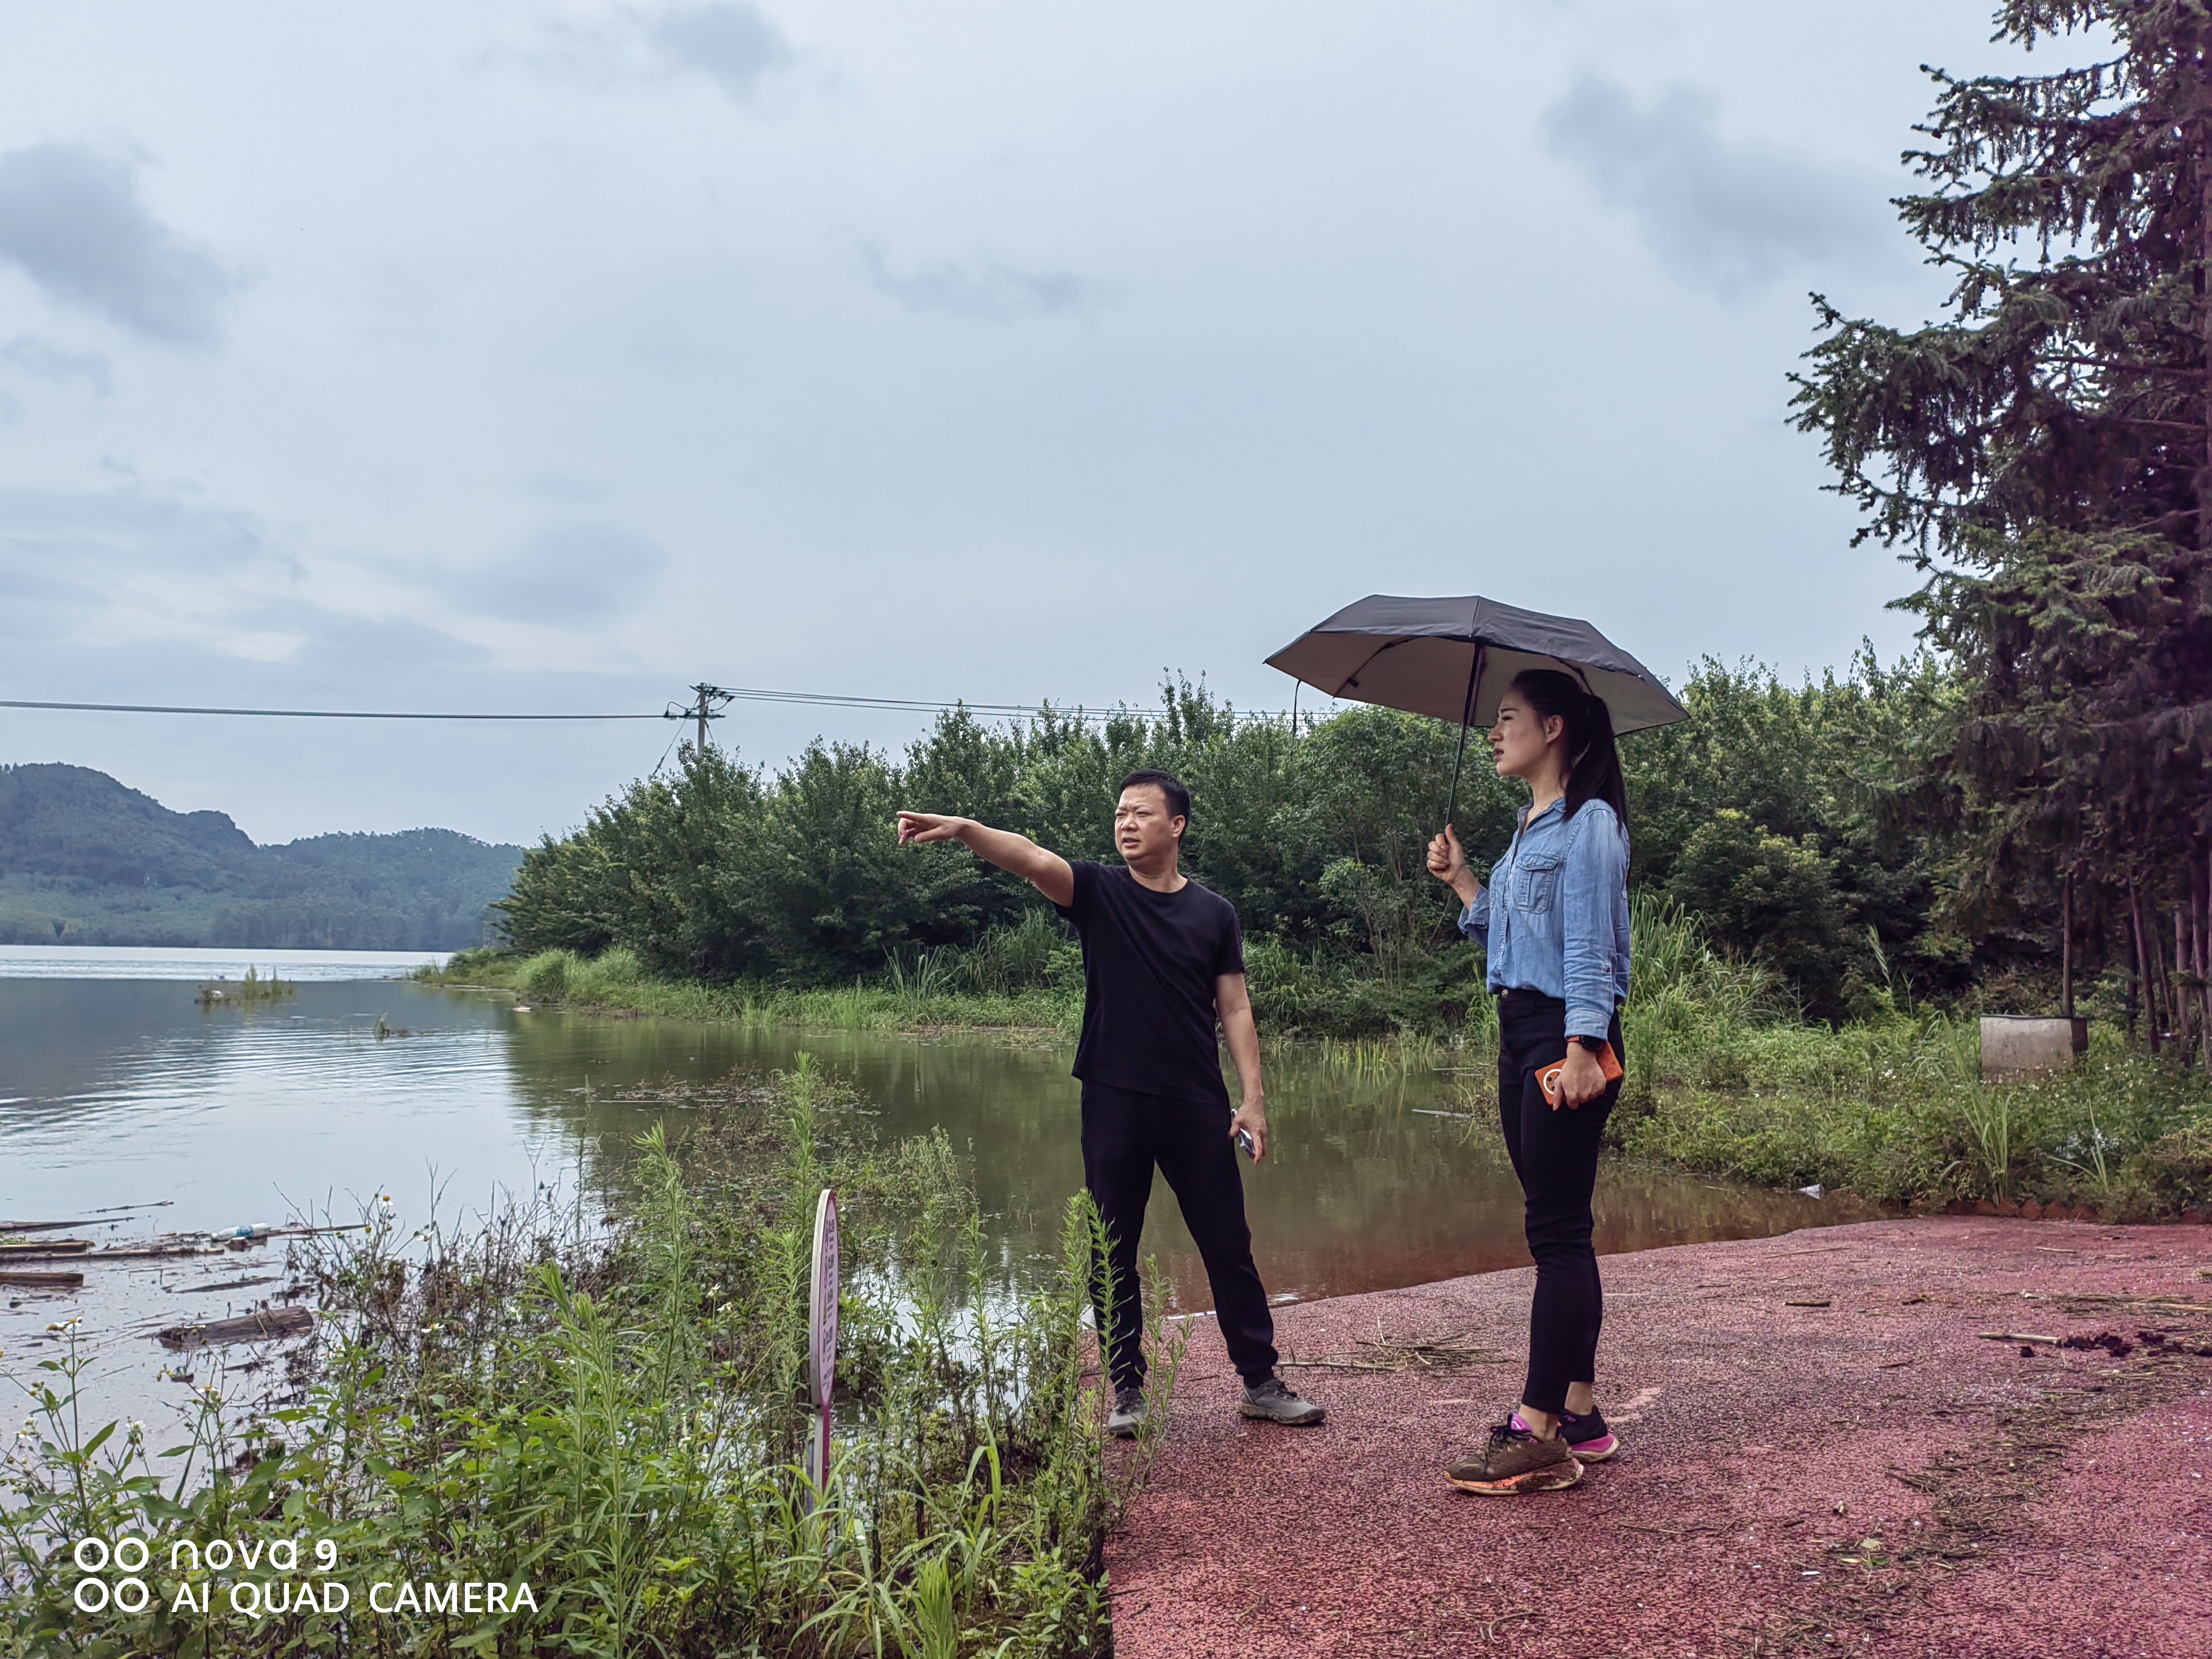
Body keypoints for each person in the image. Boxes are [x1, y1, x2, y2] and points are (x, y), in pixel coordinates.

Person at [894, 770, 1325, 1435]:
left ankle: (1261, 1383)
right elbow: (1031, 857)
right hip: (1113, 1095)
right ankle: (1127, 1390)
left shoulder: (1214, 912)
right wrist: (966, 831)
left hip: (1195, 1100)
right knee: (1111, 1246)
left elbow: (1235, 1007)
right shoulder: (1098, 890)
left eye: (1141, 813)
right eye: (1120, 813)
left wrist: (1253, 1099)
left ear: (1176, 826)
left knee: (1227, 1244)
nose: (1126, 823)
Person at [1426, 669, 1630, 1495]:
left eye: (1507, 717)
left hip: (1562, 1035)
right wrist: (1464, 882)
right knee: (1561, 1226)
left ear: (1553, 728)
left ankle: (1537, 1431)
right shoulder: (1531, 827)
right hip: (1521, 1032)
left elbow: (1590, 949)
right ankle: (1578, 1413)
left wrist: (1584, 1045)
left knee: (1557, 1235)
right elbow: (1511, 939)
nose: (1493, 732)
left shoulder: (1591, 825)